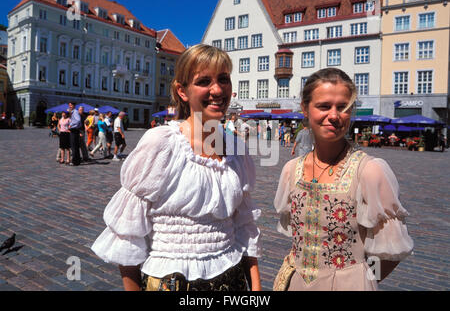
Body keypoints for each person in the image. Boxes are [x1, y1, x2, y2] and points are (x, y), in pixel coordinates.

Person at [91, 44, 261, 292]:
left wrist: (255, 287)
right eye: (204, 81)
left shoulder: (236, 150)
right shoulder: (162, 143)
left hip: (231, 281)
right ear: (182, 91)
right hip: (173, 283)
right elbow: (127, 236)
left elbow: (244, 226)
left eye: (223, 79)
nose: (217, 90)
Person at [273, 68, 413, 291]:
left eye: (343, 107)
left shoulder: (369, 171)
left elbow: (392, 251)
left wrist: (363, 279)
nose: (334, 115)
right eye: (324, 106)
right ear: (305, 109)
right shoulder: (292, 170)